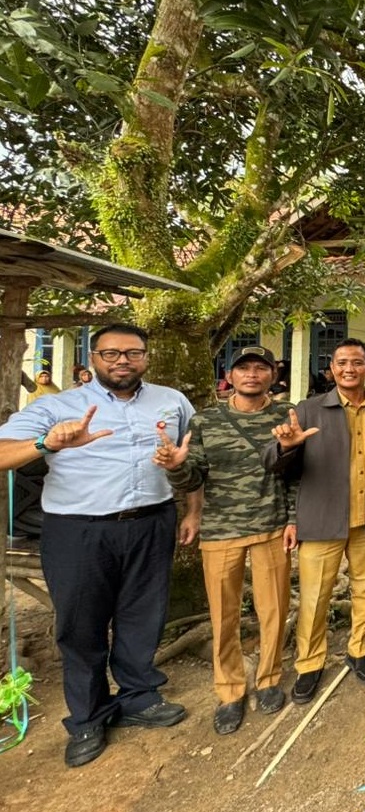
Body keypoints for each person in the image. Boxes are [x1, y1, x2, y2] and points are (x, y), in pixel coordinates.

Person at [0, 323, 194, 768]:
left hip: (151, 523)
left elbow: (189, 454)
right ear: (93, 358)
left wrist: (193, 511)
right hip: (78, 530)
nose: (122, 361)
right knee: (80, 624)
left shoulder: (172, 401)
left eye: (133, 353)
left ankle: (139, 696)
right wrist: (45, 443)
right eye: (111, 353)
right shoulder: (58, 406)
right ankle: (88, 716)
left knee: (143, 615)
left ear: (146, 356)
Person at [154, 345, 294, 734]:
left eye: (261, 368)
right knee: (224, 614)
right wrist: (176, 469)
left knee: (274, 609)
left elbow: (297, 472)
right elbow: (194, 476)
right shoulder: (206, 421)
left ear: (273, 375)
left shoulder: (287, 415)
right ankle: (230, 690)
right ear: (230, 376)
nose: (252, 374)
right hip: (220, 530)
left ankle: (269, 678)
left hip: (270, 525)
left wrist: (294, 519)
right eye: (243, 368)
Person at [262, 338, 365, 702]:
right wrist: (287, 446)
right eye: (342, 362)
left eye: (357, 362)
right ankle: (309, 663)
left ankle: (359, 648)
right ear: (331, 369)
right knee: (315, 597)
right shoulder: (308, 410)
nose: (349, 369)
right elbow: (273, 464)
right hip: (321, 520)